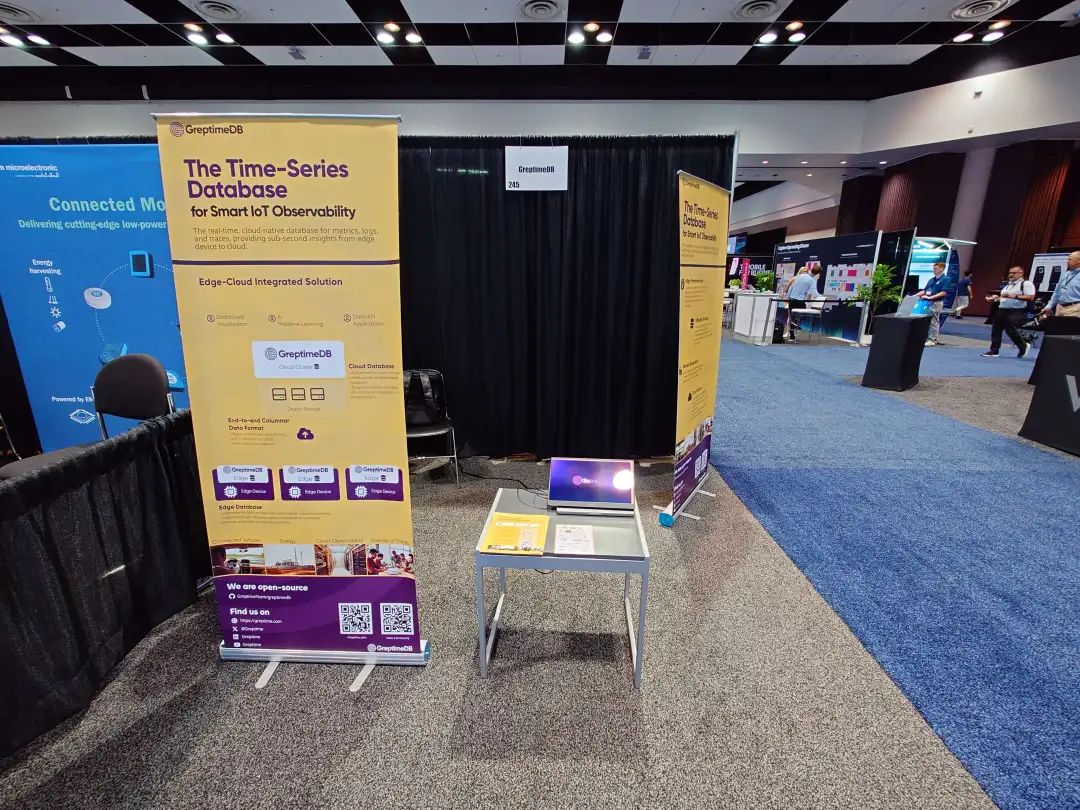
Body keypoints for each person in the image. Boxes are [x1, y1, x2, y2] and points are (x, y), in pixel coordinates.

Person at [982, 265, 1035, 358]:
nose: (1011, 275)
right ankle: (994, 350)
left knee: (1011, 330)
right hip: (1002, 309)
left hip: (1015, 310)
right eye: (1010, 273)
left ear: (1021, 274)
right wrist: (995, 298)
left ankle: (1023, 346)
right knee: (996, 330)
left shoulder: (1026, 284)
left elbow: (1030, 297)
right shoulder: (1008, 285)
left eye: (1014, 273)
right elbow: (1005, 298)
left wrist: (1015, 296)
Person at [916, 262, 953, 346]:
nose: (934, 270)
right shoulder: (932, 279)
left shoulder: (946, 279)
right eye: (933, 268)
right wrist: (914, 296)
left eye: (935, 269)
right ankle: (927, 337)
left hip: (936, 302)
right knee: (926, 320)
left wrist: (931, 297)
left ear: (941, 269)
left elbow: (944, 292)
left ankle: (932, 340)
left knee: (933, 321)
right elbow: (924, 291)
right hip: (927, 302)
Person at [1037, 251, 1080, 320]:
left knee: (1069, 327)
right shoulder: (1066, 274)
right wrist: (1048, 307)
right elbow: (1057, 292)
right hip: (1059, 307)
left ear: (1078, 261)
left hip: (1075, 308)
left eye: (1070, 259)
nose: (1067, 262)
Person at [784, 266, 820, 341]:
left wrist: (788, 297)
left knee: (792, 317)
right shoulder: (812, 280)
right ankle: (794, 326)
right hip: (800, 300)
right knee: (802, 315)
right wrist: (821, 297)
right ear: (818, 273)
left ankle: (792, 335)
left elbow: (790, 288)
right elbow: (814, 292)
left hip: (792, 299)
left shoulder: (797, 277)